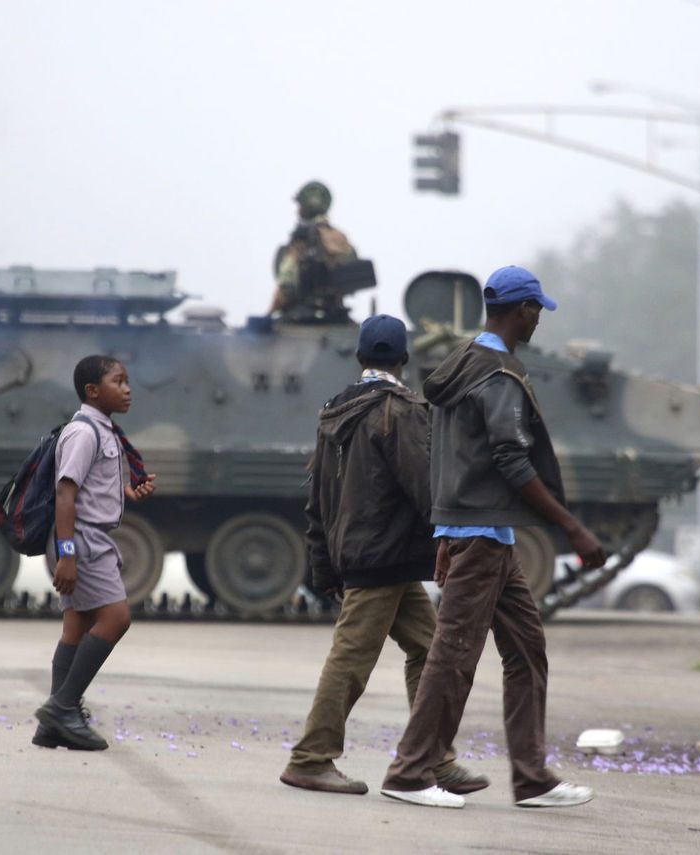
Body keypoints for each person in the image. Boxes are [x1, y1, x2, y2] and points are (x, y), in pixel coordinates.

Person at [380, 265, 606, 810]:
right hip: (480, 536)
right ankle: (409, 773)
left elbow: (448, 451)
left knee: (527, 652)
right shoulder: (498, 374)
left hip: (484, 532)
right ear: (521, 309)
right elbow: (509, 456)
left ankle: (531, 779)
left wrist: (444, 526)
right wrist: (571, 527)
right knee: (453, 655)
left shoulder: (460, 362)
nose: (538, 320)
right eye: (536, 310)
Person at [279, 315, 488, 796]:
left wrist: (323, 562)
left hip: (361, 553)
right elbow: (425, 486)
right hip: (385, 558)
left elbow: (319, 496)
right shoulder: (400, 410)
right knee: (352, 657)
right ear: (404, 358)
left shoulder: (334, 409)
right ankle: (311, 758)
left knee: (430, 649)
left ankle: (434, 758)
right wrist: (453, 538)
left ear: (359, 357)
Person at [34, 355, 156, 750]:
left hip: (86, 536)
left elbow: (87, 487)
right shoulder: (84, 432)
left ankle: (52, 726)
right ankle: (63, 707)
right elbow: (65, 495)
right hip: (83, 540)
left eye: (127, 380)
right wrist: (67, 555)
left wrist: (124, 493)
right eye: (118, 381)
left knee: (77, 626)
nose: (127, 388)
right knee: (117, 617)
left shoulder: (102, 430)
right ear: (92, 391)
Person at [269, 181, 357, 318]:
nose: (297, 210)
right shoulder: (339, 238)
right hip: (336, 315)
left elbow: (287, 284)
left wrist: (270, 311)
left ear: (307, 205)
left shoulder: (301, 243)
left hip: (299, 317)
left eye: (299, 206)